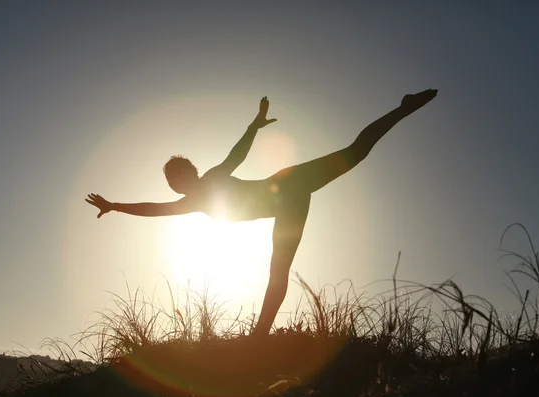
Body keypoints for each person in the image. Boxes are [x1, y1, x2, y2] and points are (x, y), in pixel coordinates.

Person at [86, 89, 438, 335]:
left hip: (289, 183)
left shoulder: (211, 178)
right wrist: (115, 206)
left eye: (179, 175)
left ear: (191, 172)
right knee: (278, 268)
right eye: (172, 181)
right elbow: (154, 210)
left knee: (355, 152)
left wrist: (254, 125)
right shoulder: (188, 203)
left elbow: (236, 156)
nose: (177, 183)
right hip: (291, 203)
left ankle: (403, 108)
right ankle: (260, 336)